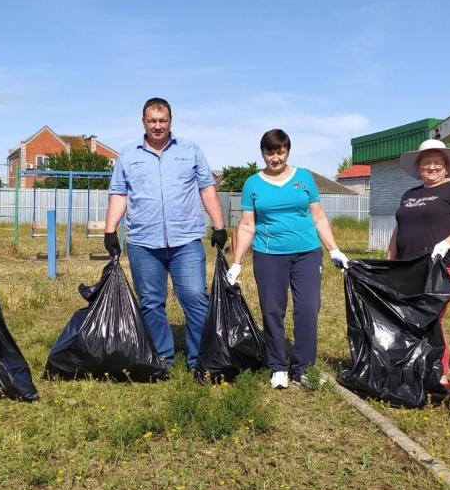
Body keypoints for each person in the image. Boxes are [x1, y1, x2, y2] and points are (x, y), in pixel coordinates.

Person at [104, 97, 227, 371]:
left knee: (196, 298)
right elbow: (119, 194)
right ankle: (162, 359)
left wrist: (219, 225)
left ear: (171, 121)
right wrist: (110, 230)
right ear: (143, 122)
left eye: (162, 121)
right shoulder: (128, 155)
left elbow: (207, 189)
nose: (157, 126)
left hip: (186, 241)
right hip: (143, 243)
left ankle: (199, 359)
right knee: (150, 302)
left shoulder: (190, 150)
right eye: (152, 121)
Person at [227, 129, 351, 390]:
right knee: (272, 310)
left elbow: (318, 217)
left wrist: (334, 250)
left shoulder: (304, 178)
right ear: (262, 153)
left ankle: (303, 367)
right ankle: (278, 366)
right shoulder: (253, 183)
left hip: (306, 252)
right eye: (269, 152)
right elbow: (248, 225)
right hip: (269, 255)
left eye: (280, 151)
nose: (275, 157)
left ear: (287, 150)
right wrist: (237, 262)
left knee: (308, 308)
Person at [387, 139, 450, 391]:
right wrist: (390, 258)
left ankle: (439, 375)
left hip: (441, 266)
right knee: (408, 318)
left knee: (431, 318)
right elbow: (400, 227)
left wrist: (446, 243)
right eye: (426, 162)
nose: (431, 167)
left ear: (446, 167)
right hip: (408, 267)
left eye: (437, 163)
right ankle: (413, 368)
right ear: (418, 167)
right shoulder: (410, 194)